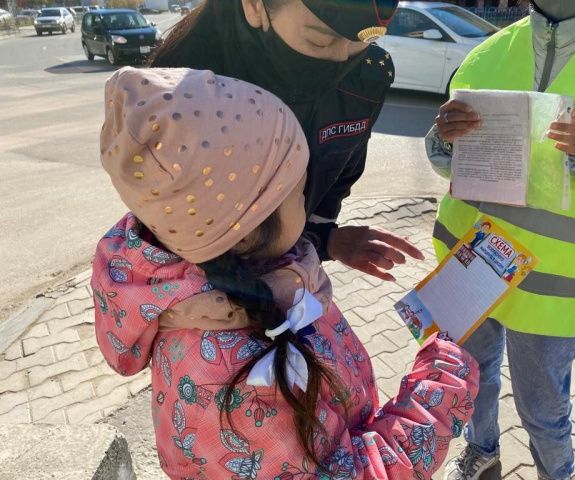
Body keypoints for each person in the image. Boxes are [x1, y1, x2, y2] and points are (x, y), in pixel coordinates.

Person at [93, 67, 479, 479]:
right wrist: (439, 387)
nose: (308, 201)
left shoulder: (255, 274)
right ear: (244, 230)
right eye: (296, 192)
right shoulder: (233, 385)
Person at [424, 1, 575, 479]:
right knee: (471, 377)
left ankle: (554, 474)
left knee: (542, 409)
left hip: (551, 284)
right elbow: (449, 162)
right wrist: (445, 139)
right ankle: (481, 451)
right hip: (471, 258)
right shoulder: (488, 51)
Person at [150, 0, 425, 281]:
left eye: (364, 39)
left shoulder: (368, 77)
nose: (343, 58)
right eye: (319, 39)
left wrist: (325, 240)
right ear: (254, 6)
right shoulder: (185, 94)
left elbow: (336, 183)